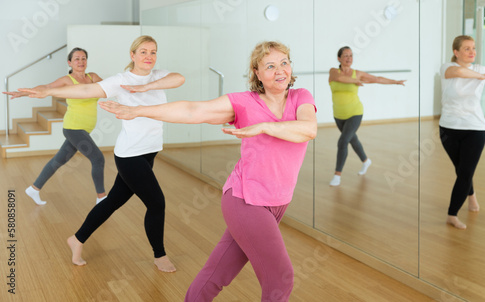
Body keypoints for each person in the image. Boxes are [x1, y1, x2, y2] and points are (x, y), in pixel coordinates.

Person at [99, 41, 317, 302]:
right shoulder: (244, 103)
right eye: (270, 66)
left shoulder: (300, 96)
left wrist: (264, 127)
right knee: (281, 278)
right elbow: (192, 109)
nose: (280, 70)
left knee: (217, 274)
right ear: (257, 73)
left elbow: (308, 129)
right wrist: (139, 111)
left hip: (278, 202)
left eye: (284, 63)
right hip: (246, 202)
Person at [18, 35, 185, 272]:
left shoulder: (159, 75)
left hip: (150, 151)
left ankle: (77, 239)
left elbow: (179, 78)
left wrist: (147, 86)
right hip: (130, 155)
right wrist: (46, 91)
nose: (149, 57)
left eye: (153, 52)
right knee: (157, 203)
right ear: (133, 55)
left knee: (113, 202)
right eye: (144, 52)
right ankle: (160, 255)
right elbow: (86, 90)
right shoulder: (121, 80)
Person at [3, 48, 107, 205]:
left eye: (83, 58)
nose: (81, 61)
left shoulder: (92, 77)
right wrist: (24, 93)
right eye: (77, 59)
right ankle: (102, 198)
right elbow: (46, 88)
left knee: (59, 160)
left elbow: (109, 87)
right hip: (73, 127)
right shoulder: (67, 80)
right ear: (69, 62)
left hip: (85, 128)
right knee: (98, 159)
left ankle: (34, 188)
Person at [440, 35, 485, 230]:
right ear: (456, 52)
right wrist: (480, 77)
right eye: (466, 48)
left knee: (465, 172)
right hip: (449, 128)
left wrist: (483, 75)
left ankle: (452, 214)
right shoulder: (446, 68)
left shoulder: (481, 69)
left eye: (473, 48)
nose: (472, 51)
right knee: (461, 169)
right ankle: (471, 196)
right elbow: (458, 72)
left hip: (475, 128)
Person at [328, 46, 406, 186]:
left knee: (343, 141)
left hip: (355, 113)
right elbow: (340, 78)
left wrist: (395, 82)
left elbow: (377, 79)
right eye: (345, 55)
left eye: (351, 55)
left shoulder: (357, 74)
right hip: (338, 115)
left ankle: (337, 175)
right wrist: (354, 81)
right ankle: (366, 161)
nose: (349, 58)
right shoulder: (333, 72)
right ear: (339, 58)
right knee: (352, 139)